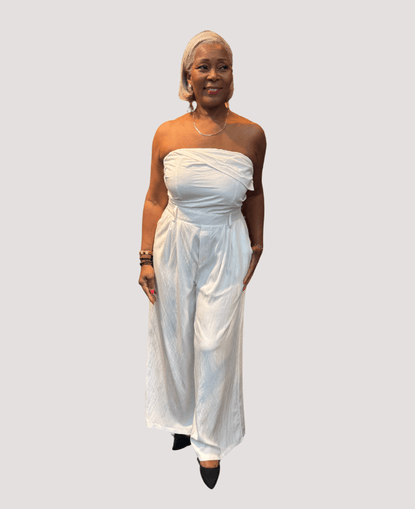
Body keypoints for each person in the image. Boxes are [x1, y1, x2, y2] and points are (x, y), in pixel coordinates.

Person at [138, 30, 266, 489]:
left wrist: (258, 242)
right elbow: (155, 198)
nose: (214, 75)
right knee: (173, 333)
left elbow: (255, 192)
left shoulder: (252, 134)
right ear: (187, 76)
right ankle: (178, 415)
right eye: (204, 66)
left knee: (215, 341)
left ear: (233, 75)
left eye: (223, 66)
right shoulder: (166, 133)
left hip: (227, 240)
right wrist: (145, 257)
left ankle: (209, 440)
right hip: (174, 239)